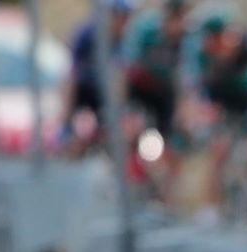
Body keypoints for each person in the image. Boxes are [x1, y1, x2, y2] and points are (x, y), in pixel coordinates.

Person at [189, 10, 247, 221]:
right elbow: (196, 89)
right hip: (219, 100)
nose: (209, 44)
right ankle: (210, 208)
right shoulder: (201, 54)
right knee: (217, 149)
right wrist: (203, 113)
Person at [123, 0, 193, 194]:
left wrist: (185, 112)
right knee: (132, 131)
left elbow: (189, 78)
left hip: (166, 93)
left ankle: (165, 196)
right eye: (174, 17)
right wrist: (123, 107)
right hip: (140, 89)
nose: (179, 24)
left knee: (174, 140)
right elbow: (127, 67)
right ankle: (130, 184)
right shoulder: (146, 30)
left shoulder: (188, 38)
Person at [60, 0, 136, 155]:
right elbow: (71, 77)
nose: (125, 23)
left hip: (105, 95)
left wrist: (118, 116)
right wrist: (67, 118)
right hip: (82, 92)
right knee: (76, 137)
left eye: (128, 18)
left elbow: (122, 80)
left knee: (118, 137)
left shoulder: (124, 40)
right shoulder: (87, 34)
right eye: (122, 17)